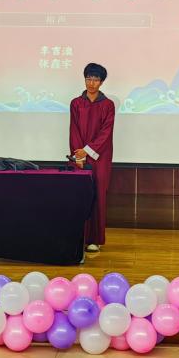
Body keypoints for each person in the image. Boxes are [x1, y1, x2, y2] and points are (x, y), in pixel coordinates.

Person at [69, 63, 115, 253]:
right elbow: (74, 130)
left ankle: (94, 239)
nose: (91, 83)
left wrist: (88, 150)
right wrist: (78, 155)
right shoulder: (76, 103)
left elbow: (106, 133)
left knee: (98, 195)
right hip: (79, 156)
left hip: (100, 157)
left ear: (101, 82)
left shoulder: (108, 105)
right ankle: (78, 237)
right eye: (88, 78)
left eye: (96, 79)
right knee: (79, 195)